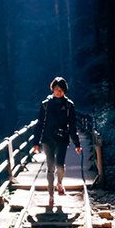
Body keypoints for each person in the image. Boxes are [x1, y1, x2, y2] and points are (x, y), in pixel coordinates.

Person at [32, 77, 82, 207]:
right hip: (48, 139)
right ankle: (50, 195)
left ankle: (59, 183)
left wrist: (77, 143)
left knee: (60, 165)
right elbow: (40, 123)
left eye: (60, 90)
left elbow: (72, 125)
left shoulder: (69, 105)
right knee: (50, 167)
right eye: (56, 89)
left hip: (62, 139)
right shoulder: (46, 104)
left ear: (64, 91)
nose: (58, 92)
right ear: (52, 89)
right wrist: (36, 143)